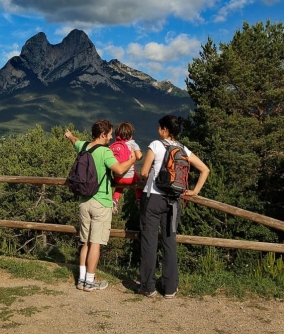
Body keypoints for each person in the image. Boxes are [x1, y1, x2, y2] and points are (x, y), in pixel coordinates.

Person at [137, 115, 209, 299]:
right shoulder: (183, 149)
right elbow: (205, 169)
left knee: (149, 242)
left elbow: (144, 172)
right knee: (169, 242)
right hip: (174, 201)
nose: (158, 130)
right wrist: (194, 191)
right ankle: (170, 288)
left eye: (160, 127)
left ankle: (148, 287)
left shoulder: (156, 145)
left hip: (153, 198)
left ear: (164, 130)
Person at [65, 120, 136, 292]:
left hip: (84, 201)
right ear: (103, 134)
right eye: (110, 134)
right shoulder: (105, 152)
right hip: (101, 202)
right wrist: (133, 158)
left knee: (86, 242)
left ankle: (81, 280)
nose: (112, 137)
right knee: (95, 243)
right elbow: (119, 170)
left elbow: (75, 141)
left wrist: (69, 135)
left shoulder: (84, 147)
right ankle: (90, 281)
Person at [110, 121, 143, 214]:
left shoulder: (114, 146)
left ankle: (115, 200)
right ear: (130, 134)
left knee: (119, 188)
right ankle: (139, 199)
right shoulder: (133, 144)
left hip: (117, 178)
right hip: (130, 179)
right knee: (138, 180)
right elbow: (139, 156)